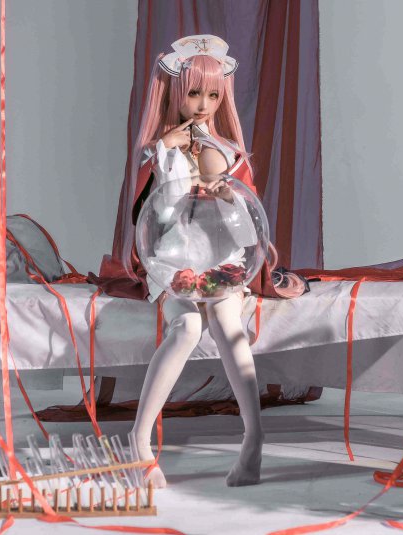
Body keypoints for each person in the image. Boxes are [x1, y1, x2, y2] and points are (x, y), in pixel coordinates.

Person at [124, 35, 264, 488]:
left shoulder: (230, 152)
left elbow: (249, 236)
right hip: (173, 262)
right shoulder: (158, 151)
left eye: (213, 95)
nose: (203, 105)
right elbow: (158, 218)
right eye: (194, 93)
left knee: (227, 323)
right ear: (175, 93)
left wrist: (227, 197)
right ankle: (139, 440)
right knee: (185, 327)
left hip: (222, 261)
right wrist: (167, 154)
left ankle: (253, 439)